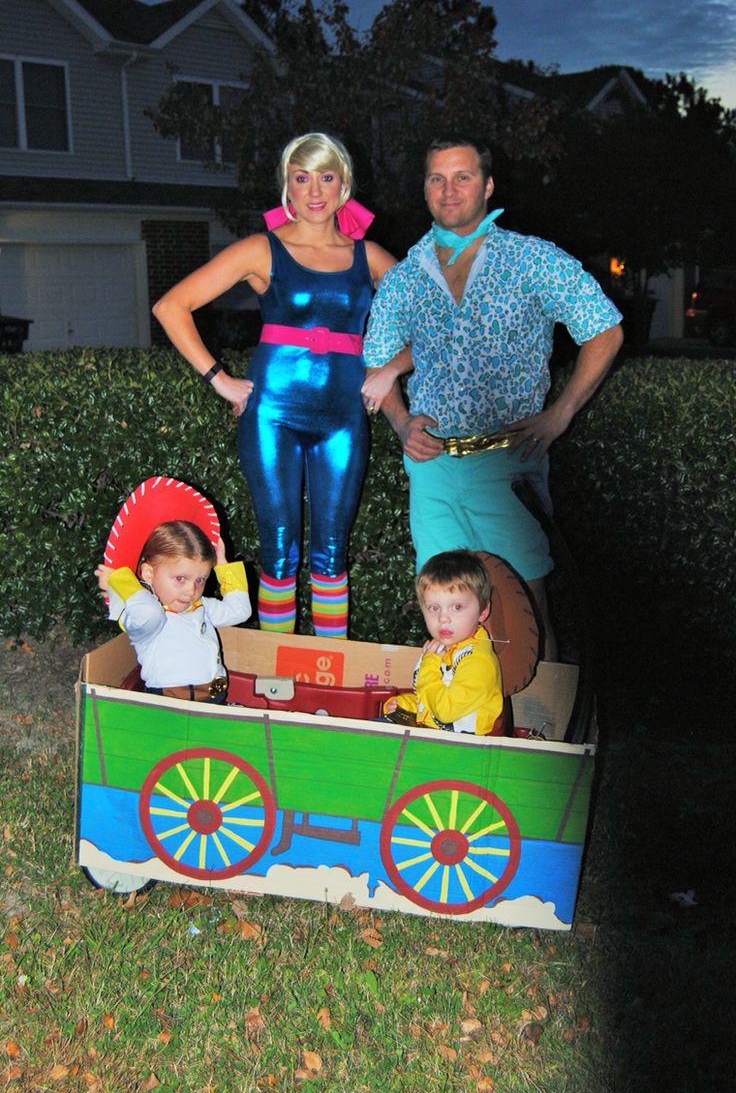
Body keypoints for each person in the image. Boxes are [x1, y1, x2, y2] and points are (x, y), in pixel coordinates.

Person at [362, 136, 624, 658]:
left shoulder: (531, 259)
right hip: (433, 466)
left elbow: (604, 331)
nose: (449, 189)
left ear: (487, 185)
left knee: (523, 604)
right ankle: (460, 722)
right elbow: (378, 359)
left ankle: (539, 726)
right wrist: (399, 422)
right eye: (437, 178)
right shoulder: (406, 275)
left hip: (506, 461)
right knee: (444, 606)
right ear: (424, 189)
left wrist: (560, 415)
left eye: (462, 176)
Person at [153, 132, 402, 639]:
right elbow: (170, 306)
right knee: (280, 547)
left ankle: (331, 675)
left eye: (326, 177)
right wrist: (219, 379)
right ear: (287, 185)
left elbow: (437, 321)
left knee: (333, 550)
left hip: (343, 420)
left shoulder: (369, 255)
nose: (315, 190)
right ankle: (277, 676)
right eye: (302, 177)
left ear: (344, 184)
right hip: (273, 417)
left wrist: (392, 368)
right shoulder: (259, 249)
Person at [95, 520, 251, 702]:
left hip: (215, 693)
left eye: (200, 580)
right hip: (170, 701)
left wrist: (223, 566)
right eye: (180, 578)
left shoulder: (201, 606)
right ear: (149, 574)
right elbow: (148, 613)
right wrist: (121, 581)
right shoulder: (144, 618)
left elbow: (240, 611)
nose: (191, 590)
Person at [384, 550, 504, 735]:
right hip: (438, 739)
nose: (443, 618)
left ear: (483, 611)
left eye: (456, 607)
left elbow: (445, 711)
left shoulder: (478, 661)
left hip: (465, 752)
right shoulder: (447, 647)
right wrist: (404, 706)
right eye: (433, 608)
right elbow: (430, 700)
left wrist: (429, 665)